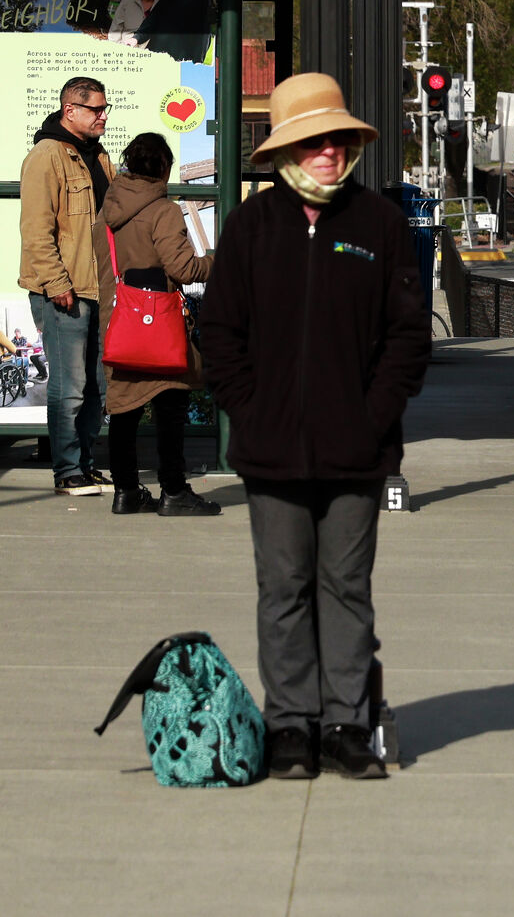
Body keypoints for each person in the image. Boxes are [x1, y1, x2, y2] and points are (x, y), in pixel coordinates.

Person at [199, 73, 430, 781]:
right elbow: (219, 334)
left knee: (346, 587)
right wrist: (252, 408)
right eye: (313, 140)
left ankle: (346, 725)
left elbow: (407, 340)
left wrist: (370, 418)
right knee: (283, 587)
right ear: (286, 150)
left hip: (356, 453)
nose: (329, 151)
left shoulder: (379, 226)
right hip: (271, 454)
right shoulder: (251, 227)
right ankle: (290, 726)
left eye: (338, 139)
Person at [101, 131, 219, 517]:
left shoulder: (110, 207)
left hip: (121, 320)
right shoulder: (163, 211)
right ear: (164, 169)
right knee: (170, 404)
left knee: (123, 410)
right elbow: (183, 269)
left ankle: (127, 492)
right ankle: (173, 491)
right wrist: (216, 261)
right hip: (159, 322)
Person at [19, 76, 116, 496]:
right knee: (69, 385)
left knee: (98, 382)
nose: (104, 116)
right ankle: (67, 470)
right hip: (65, 290)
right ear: (69, 110)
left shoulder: (99, 156)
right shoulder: (46, 156)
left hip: (101, 288)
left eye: (105, 108)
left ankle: (86, 464)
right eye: (96, 109)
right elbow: (37, 231)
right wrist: (57, 284)